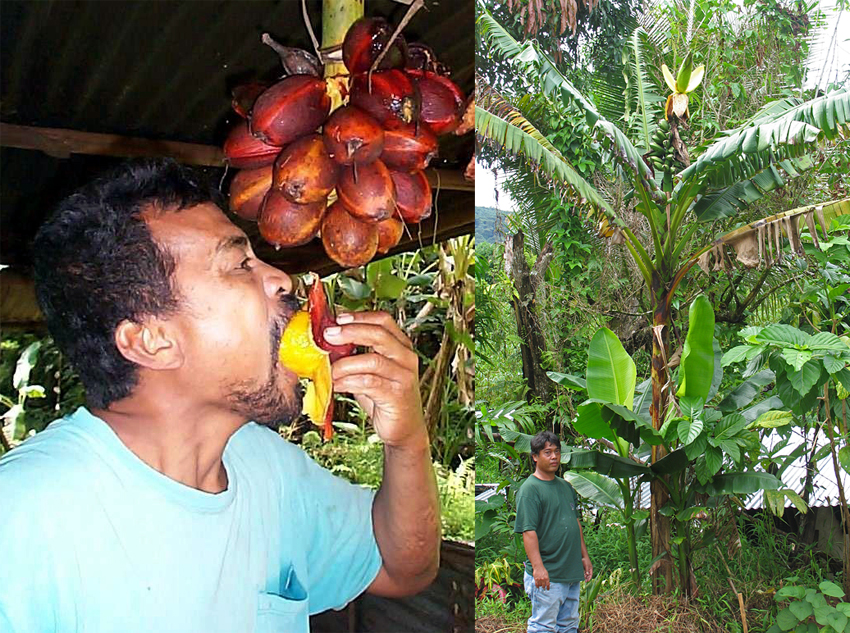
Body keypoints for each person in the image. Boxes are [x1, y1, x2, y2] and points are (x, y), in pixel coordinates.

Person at [0, 159, 440, 632]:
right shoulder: (23, 520)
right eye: (239, 265)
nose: (281, 280)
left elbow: (402, 570)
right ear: (152, 340)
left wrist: (407, 441)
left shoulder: (268, 467)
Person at [514, 430, 592, 633]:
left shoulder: (566, 487)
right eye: (547, 452)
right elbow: (528, 532)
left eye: (557, 451)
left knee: (568, 625)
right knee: (543, 627)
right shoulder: (530, 489)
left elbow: (575, 523)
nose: (554, 456)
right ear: (535, 457)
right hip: (548, 573)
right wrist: (538, 568)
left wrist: (584, 556)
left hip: (570, 571)